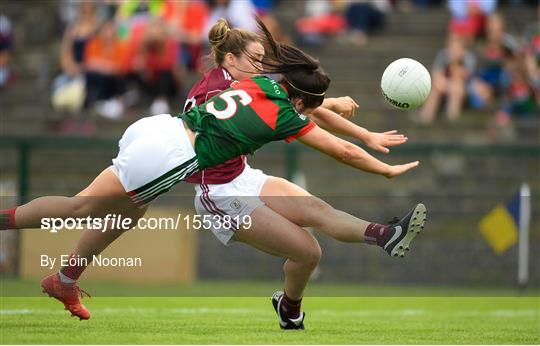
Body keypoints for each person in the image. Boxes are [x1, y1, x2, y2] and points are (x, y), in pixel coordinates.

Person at [0, 18, 424, 327]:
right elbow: (302, 118)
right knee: (89, 208)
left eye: (264, 60)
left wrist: (359, 128)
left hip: (187, 150)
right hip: (204, 180)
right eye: (254, 60)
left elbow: (296, 105)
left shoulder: (247, 82)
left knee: (121, 214)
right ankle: (32, 245)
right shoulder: (223, 87)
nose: (262, 67)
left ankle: (66, 278)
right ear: (229, 57)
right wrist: (367, 149)